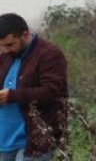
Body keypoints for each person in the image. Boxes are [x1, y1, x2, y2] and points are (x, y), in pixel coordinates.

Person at [0, 15, 66, 161]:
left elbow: (52, 92)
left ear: (25, 34)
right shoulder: (5, 57)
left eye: (10, 45)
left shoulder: (48, 54)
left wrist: (11, 96)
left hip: (35, 142)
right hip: (4, 143)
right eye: (2, 46)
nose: (5, 50)